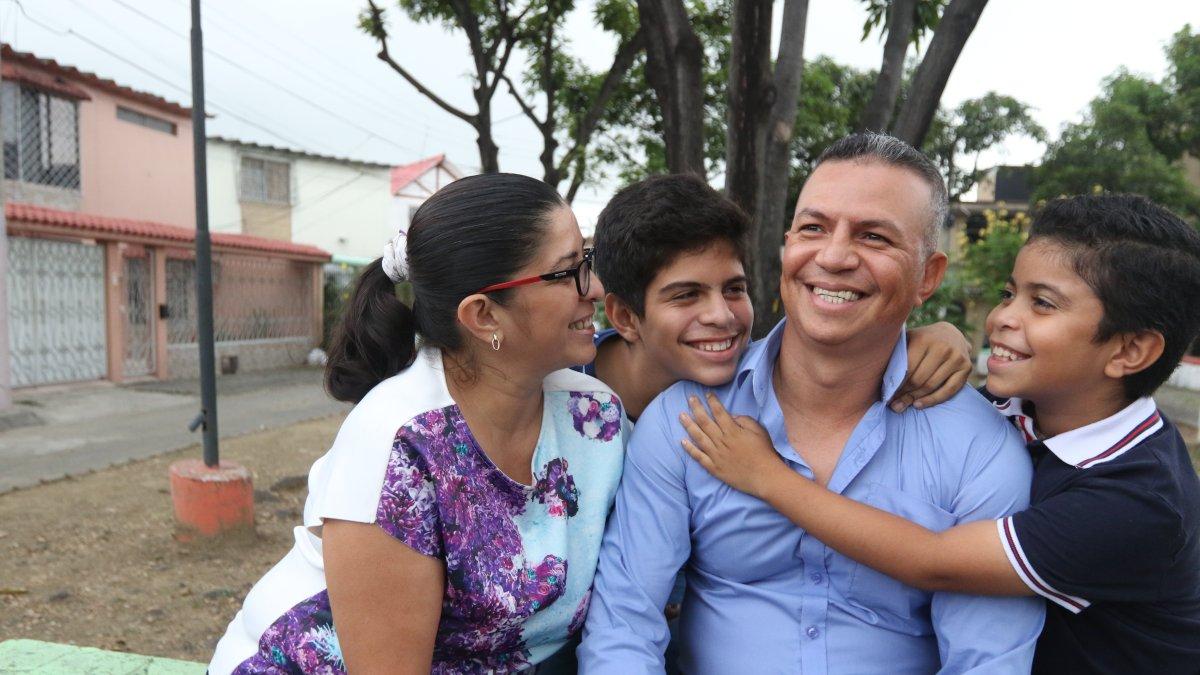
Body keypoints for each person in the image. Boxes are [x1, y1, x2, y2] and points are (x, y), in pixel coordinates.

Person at [577, 133, 1045, 674]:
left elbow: (987, 661)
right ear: (787, 246)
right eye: (814, 228)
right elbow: (624, 626)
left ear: (929, 276)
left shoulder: (979, 447)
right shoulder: (685, 420)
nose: (834, 256)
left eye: (873, 237)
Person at [682, 194, 1200, 673]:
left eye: (1042, 304)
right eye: (1008, 293)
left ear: (1130, 352)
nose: (1001, 319)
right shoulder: (1026, 409)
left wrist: (769, 478)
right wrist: (933, 337)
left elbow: (933, 562)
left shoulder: (1139, 502)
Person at [209, 173, 627, 674]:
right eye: (567, 273)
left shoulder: (593, 417)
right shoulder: (398, 449)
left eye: (587, 260)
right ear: (484, 315)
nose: (596, 288)